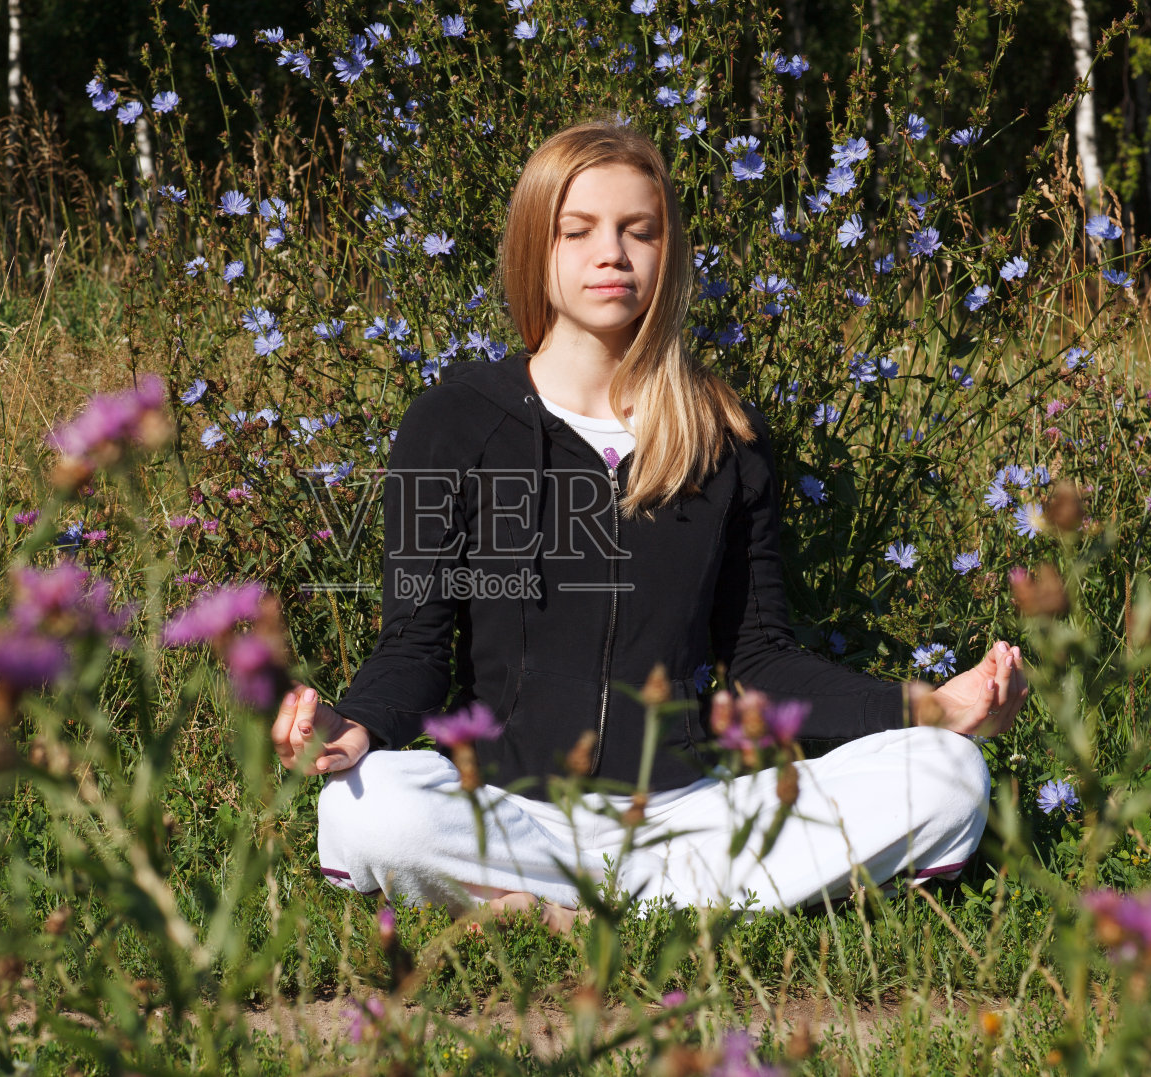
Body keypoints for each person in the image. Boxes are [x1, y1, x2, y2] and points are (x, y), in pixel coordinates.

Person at [271, 120, 1028, 932]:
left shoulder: (722, 434)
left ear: (669, 254)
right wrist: (355, 727)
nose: (613, 254)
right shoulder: (453, 422)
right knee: (366, 805)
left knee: (947, 773)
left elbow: (761, 660)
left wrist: (927, 707)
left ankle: (572, 911)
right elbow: (414, 649)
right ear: (537, 246)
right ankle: (651, 911)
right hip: (504, 809)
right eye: (580, 230)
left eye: (640, 231)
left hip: (686, 813)